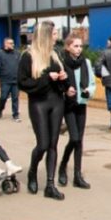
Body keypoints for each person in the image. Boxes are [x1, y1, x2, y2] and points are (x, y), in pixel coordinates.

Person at [18, 20, 68, 200]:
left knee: (53, 144)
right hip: (38, 103)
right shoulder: (28, 56)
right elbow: (23, 83)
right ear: (46, 36)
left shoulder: (55, 55)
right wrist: (47, 78)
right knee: (43, 144)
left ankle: (50, 184)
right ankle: (32, 172)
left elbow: (62, 83)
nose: (56, 37)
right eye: (54, 34)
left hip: (57, 102)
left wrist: (64, 79)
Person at [59, 34, 97, 189]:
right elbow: (58, 85)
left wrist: (89, 90)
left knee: (79, 140)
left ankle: (77, 175)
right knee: (74, 138)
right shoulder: (61, 63)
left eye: (81, 46)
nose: (79, 49)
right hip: (68, 105)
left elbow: (93, 82)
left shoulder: (86, 63)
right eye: (75, 46)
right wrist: (65, 91)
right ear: (68, 47)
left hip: (81, 104)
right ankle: (63, 166)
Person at [0, 37, 21, 122]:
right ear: (5, 44)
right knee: (3, 97)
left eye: (13, 43)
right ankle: (0, 109)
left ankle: (15, 114)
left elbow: (20, 65)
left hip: (15, 80)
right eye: (10, 43)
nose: (12, 45)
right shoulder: (0, 54)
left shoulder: (17, 54)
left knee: (15, 98)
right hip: (5, 80)